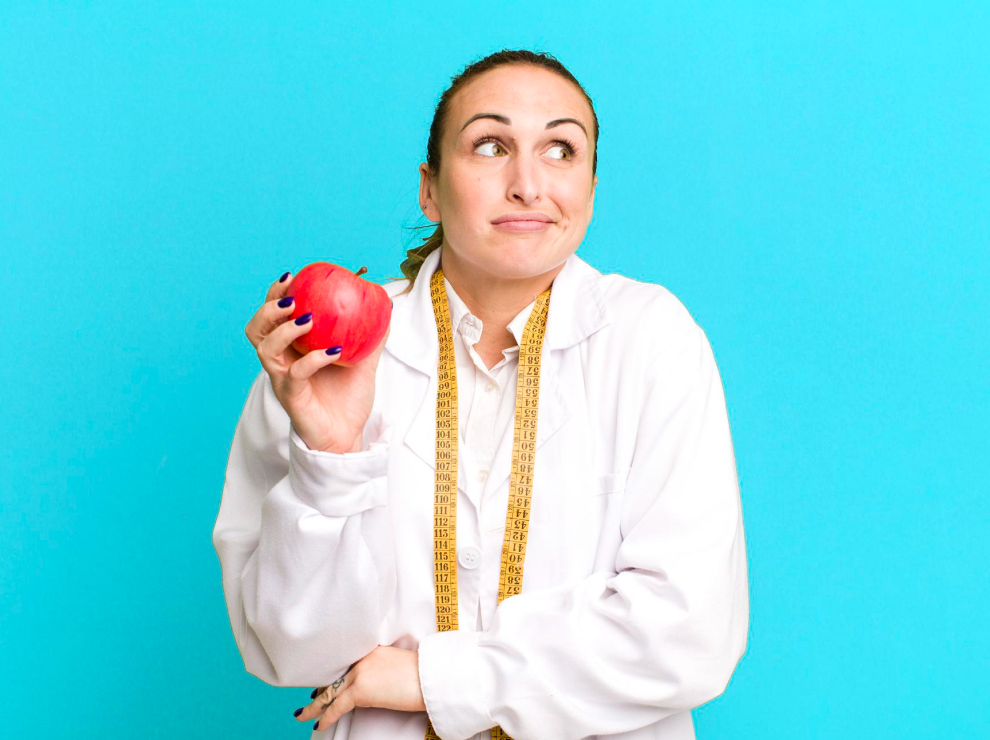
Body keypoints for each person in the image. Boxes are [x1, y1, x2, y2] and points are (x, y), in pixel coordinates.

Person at [212, 48, 749, 740]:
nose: (528, 184)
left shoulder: (651, 340)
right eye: (491, 145)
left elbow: (690, 633)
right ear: (429, 189)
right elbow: (294, 652)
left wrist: (430, 679)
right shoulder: (326, 363)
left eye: (560, 149)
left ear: (590, 185)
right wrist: (331, 456)